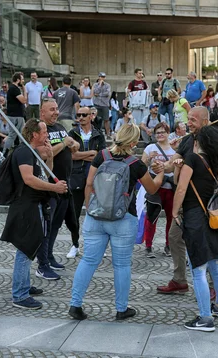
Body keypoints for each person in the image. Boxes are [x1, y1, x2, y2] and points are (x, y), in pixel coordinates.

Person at [68, 123, 164, 321]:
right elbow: (152, 189)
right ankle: (121, 309)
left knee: (88, 261)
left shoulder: (101, 156)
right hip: (123, 218)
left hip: (95, 216)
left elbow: (88, 183)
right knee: (121, 265)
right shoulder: (136, 165)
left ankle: (75, 305)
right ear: (135, 143)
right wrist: (161, 172)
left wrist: (90, 209)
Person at [171, 125, 218, 332]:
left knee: (198, 269)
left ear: (198, 142)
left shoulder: (192, 159)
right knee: (215, 266)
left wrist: (174, 211)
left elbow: (180, 186)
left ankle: (205, 318)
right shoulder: (215, 161)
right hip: (213, 217)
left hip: (195, 218)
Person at [1, 119, 67, 310]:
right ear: (34, 134)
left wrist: (49, 157)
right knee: (25, 250)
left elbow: (44, 175)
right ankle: (20, 295)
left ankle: (24, 285)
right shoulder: (23, 152)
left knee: (29, 249)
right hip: (25, 207)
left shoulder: (32, 153)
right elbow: (29, 179)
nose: (47, 135)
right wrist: (54, 187)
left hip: (34, 205)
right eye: (44, 131)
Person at [157, 107, 210, 295]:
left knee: (204, 242)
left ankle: (211, 285)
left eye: (193, 120)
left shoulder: (213, 140)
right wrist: (164, 165)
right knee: (174, 236)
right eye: (189, 119)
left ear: (205, 121)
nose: (189, 123)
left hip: (205, 202)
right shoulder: (187, 140)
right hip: (185, 201)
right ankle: (179, 280)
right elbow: (174, 161)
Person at [38, 99, 79, 280]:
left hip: (65, 184)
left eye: (57, 109)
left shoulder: (60, 127)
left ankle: (49, 255)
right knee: (46, 226)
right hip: (49, 186)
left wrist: (72, 144)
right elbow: (44, 154)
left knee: (56, 225)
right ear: (42, 113)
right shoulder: (40, 130)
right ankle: (42, 264)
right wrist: (64, 143)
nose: (56, 112)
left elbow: (72, 146)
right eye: (52, 109)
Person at [69, 106, 107, 258]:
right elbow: (71, 156)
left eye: (84, 115)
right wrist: (90, 154)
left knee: (97, 213)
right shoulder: (72, 133)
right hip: (76, 177)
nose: (81, 117)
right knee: (75, 214)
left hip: (94, 178)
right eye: (78, 115)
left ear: (91, 116)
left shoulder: (98, 134)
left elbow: (101, 156)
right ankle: (75, 244)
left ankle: (98, 246)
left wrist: (81, 155)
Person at [142, 122, 176, 257]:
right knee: (151, 217)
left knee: (171, 219)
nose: (160, 135)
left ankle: (169, 246)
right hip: (155, 187)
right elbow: (142, 166)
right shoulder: (150, 148)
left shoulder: (174, 149)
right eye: (157, 133)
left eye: (163, 132)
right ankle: (148, 246)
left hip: (171, 187)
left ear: (168, 133)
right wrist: (149, 159)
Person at [3, 72, 27, 152]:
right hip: (16, 116)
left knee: (21, 134)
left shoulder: (13, 88)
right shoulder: (14, 89)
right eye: (22, 79)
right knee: (13, 135)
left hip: (17, 115)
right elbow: (23, 100)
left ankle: (22, 150)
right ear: (18, 80)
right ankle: (5, 152)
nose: (23, 81)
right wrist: (24, 90)